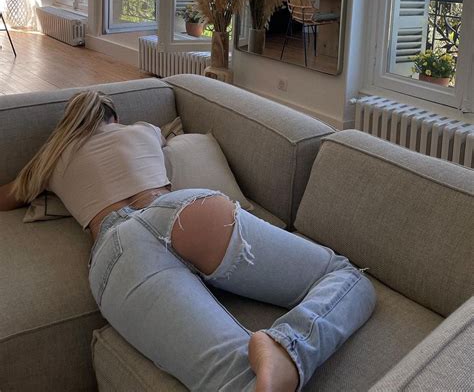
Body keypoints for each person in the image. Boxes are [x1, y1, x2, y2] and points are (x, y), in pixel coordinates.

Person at [0, 91, 376, 392]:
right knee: (348, 277)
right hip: (181, 210)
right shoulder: (144, 130)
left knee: (236, 380)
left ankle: (279, 366)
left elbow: (8, 197)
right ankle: (289, 347)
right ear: (114, 118)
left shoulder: (49, 160)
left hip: (117, 250)